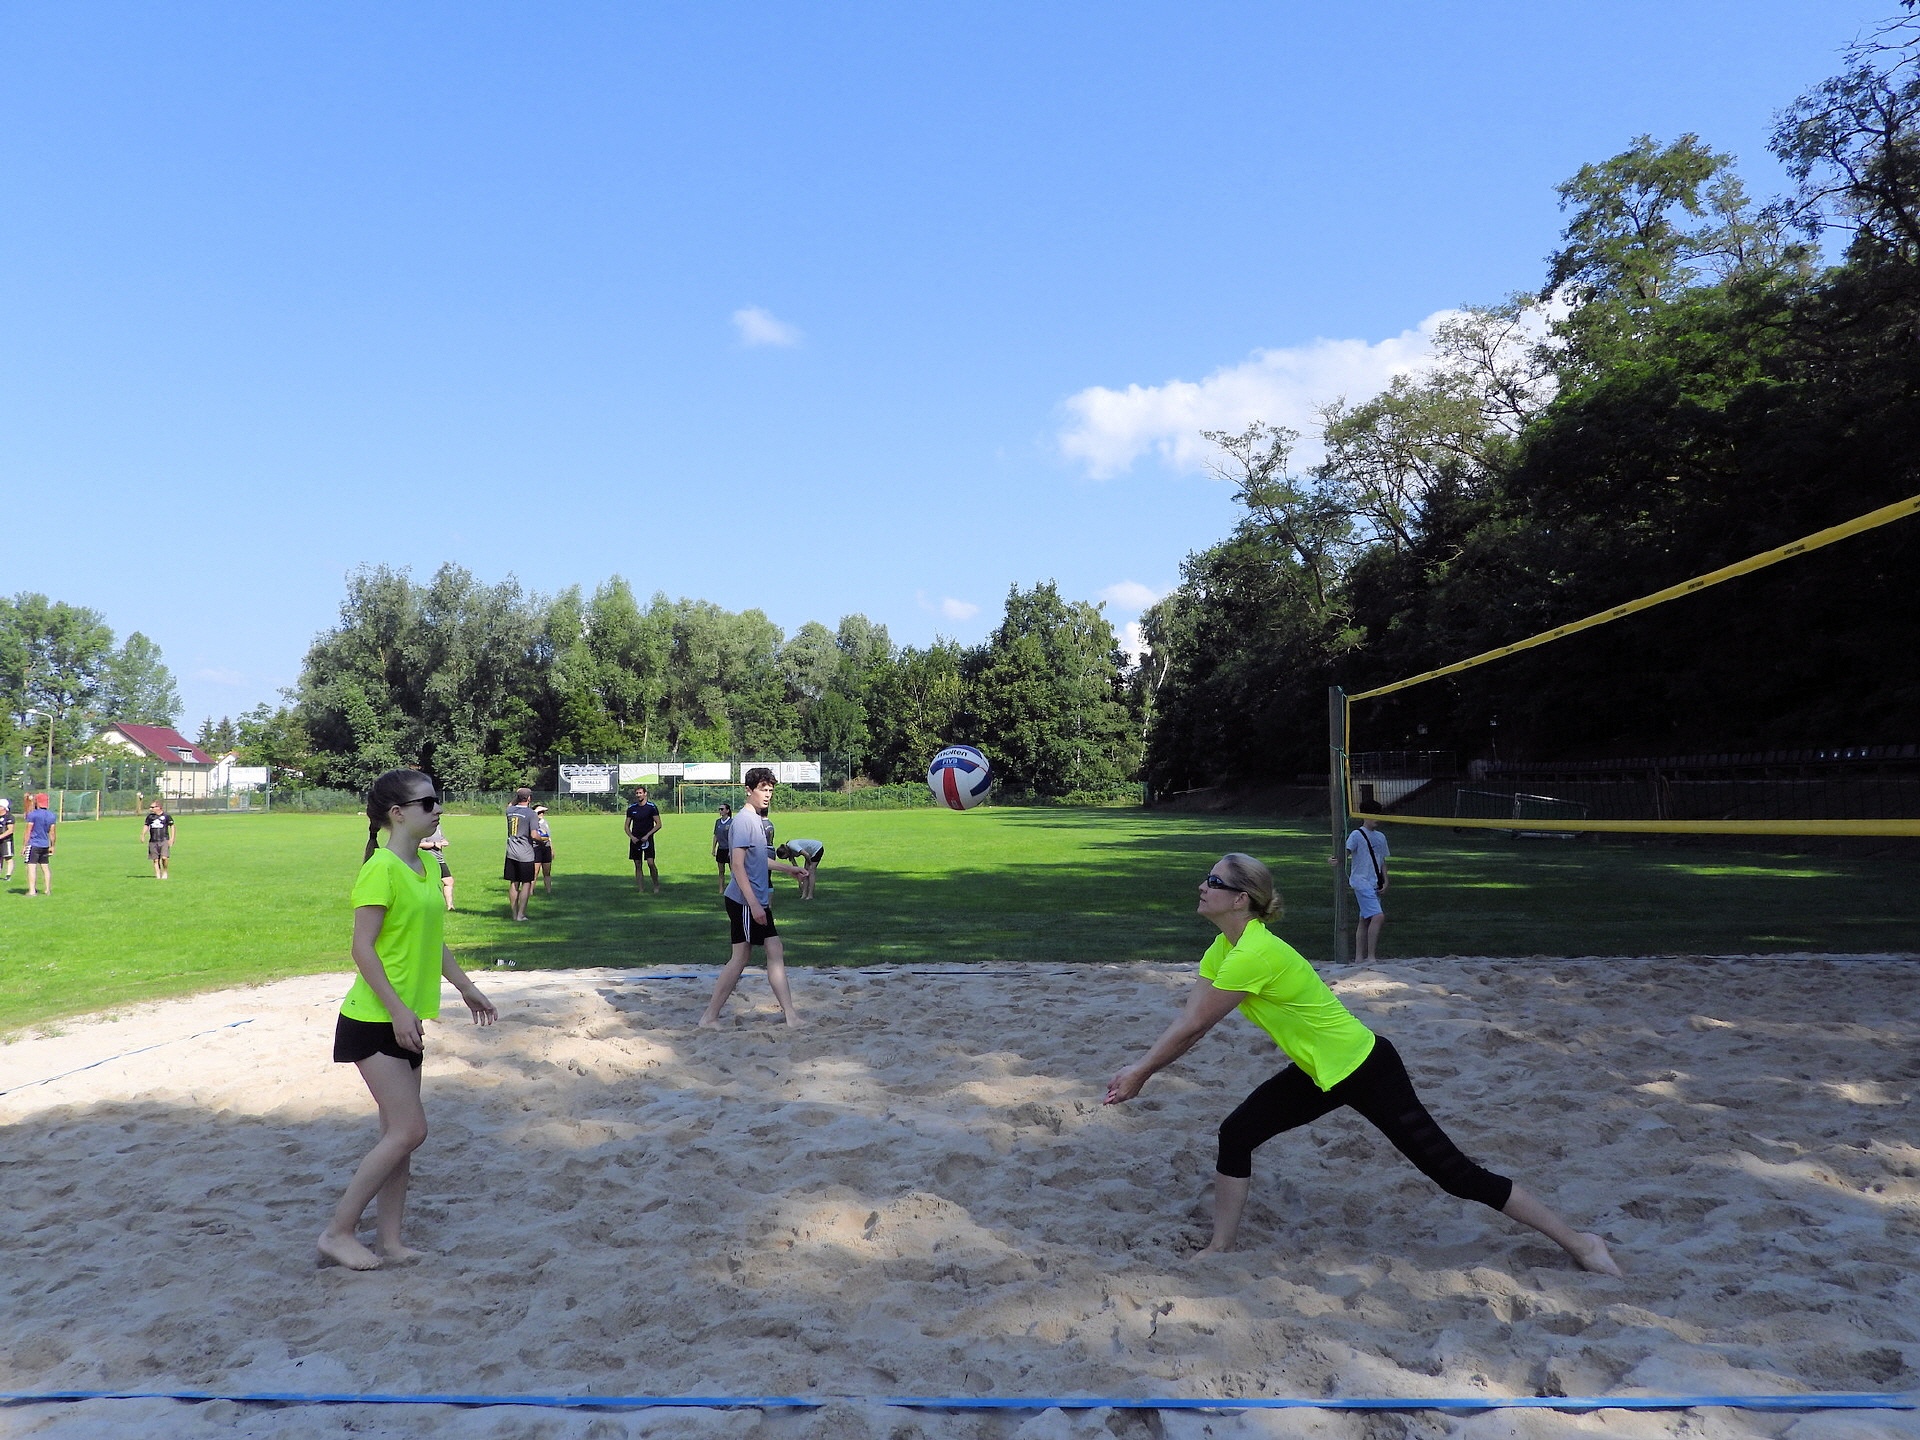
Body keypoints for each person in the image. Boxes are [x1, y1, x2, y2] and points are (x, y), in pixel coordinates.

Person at [1105, 852, 1620, 1276]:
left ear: (1241, 898)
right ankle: (1221, 1246)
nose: (1202, 886)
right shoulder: (1224, 947)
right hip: (1320, 1073)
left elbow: (1196, 1027)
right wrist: (1141, 1067)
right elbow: (1189, 1018)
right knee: (1236, 1134)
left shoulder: (1253, 955)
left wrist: (1140, 1072)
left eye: (1214, 881)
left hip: (1366, 1069)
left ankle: (1582, 1243)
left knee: (1455, 1175)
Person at [317, 769, 496, 1271]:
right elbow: (362, 949)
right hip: (374, 1019)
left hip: (405, 1019)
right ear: (397, 814)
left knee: (398, 1138)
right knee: (410, 1130)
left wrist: (466, 987)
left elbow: (430, 940)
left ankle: (390, 1241)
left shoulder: (424, 865)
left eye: (438, 800)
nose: (438, 809)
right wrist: (398, 1010)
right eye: (428, 803)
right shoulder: (381, 869)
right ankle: (337, 1232)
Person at [700, 768, 807, 1027]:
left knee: (764, 951)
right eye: (762, 789)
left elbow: (758, 860)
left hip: (751, 900)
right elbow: (737, 866)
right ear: (748, 790)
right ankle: (710, 1016)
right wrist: (755, 904)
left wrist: (788, 869)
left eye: (770, 790)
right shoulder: (744, 821)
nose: (767, 794)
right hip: (746, 901)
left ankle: (789, 1015)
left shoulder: (756, 819)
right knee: (743, 957)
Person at [1334, 817, 1390, 961]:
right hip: (1361, 881)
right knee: (1378, 916)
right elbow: (1344, 853)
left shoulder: (1381, 837)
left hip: (1375, 882)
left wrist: (1385, 881)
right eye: (1373, 815)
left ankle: (1359, 958)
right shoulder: (1356, 835)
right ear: (1365, 816)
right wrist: (1335, 859)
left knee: (1364, 919)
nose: (1377, 819)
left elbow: (1382, 861)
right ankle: (1371, 957)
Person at [504, 788, 538, 922]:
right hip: (525, 854)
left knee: (514, 883)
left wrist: (517, 796)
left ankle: (514, 914)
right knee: (526, 883)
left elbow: (510, 804)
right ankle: (521, 914)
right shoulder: (531, 814)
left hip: (511, 852)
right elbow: (534, 835)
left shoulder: (510, 811)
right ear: (529, 798)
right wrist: (543, 839)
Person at [625, 785, 662, 893]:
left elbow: (658, 824)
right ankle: (641, 889)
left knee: (650, 863)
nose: (638, 795)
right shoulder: (631, 809)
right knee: (637, 864)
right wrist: (632, 837)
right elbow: (626, 826)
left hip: (647, 840)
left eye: (640, 793)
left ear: (645, 794)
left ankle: (656, 885)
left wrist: (648, 835)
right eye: (637, 793)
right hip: (635, 840)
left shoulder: (651, 807)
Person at [24, 793, 56, 897]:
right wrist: (52, 846)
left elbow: (28, 831)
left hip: (34, 844)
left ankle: (32, 891)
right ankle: (47, 890)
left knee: (31, 867)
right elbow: (52, 833)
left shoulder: (33, 815)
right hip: (45, 844)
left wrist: (24, 845)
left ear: (37, 802)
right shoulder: (51, 815)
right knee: (45, 867)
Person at [420, 822, 455, 911]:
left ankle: (450, 906)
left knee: (449, 881)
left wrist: (444, 842)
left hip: (440, 859)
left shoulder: (437, 826)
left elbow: (442, 838)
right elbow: (419, 844)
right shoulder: (424, 827)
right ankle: (428, 906)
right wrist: (434, 844)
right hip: (429, 860)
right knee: (431, 884)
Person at [143, 799, 175, 880]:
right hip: (153, 840)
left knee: (164, 857)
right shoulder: (150, 817)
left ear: (158, 807)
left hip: (164, 839)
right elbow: (146, 826)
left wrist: (172, 838)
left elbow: (172, 826)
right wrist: (143, 835)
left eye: (152, 807)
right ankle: (158, 875)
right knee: (155, 860)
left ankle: (165, 871)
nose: (151, 809)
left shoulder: (166, 816)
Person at [711, 802, 734, 896]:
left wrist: (732, 850)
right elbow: (716, 835)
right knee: (721, 871)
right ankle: (721, 890)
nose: (720, 811)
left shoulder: (732, 822)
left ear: (727, 811)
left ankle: (734, 890)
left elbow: (734, 837)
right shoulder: (718, 822)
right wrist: (713, 848)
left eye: (722, 809)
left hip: (729, 849)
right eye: (719, 809)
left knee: (733, 871)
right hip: (721, 849)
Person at [531, 806, 555, 895]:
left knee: (547, 872)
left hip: (546, 848)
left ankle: (549, 892)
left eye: (543, 812)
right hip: (536, 848)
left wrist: (552, 849)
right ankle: (530, 892)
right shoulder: (532, 822)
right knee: (534, 872)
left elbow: (549, 837)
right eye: (539, 812)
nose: (541, 814)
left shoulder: (545, 822)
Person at [0, 797, 14, 882]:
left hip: (6, 841)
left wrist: (1, 836)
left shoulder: (9, 817)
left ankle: (8, 875)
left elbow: (10, 830)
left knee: (7, 858)